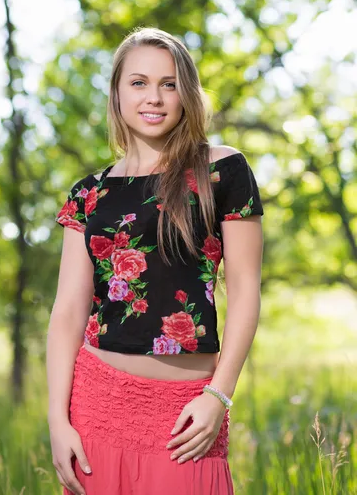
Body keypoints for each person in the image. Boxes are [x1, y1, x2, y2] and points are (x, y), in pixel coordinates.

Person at [47, 27, 264, 495]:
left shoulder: (222, 171)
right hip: (94, 408)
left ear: (186, 94)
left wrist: (218, 396)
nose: (155, 97)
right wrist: (57, 421)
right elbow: (67, 312)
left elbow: (246, 291)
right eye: (139, 82)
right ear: (118, 93)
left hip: (188, 413)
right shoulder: (89, 193)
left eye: (169, 84)